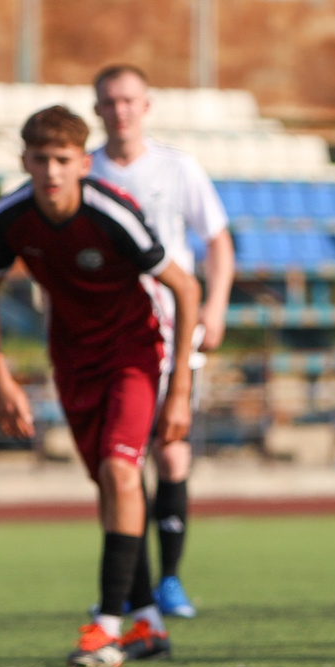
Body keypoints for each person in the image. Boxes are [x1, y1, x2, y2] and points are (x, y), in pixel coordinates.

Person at [0, 106, 201, 667]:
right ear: (23, 160)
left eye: (62, 160)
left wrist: (179, 391)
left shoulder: (112, 213)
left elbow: (185, 288)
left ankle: (105, 626)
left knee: (122, 472)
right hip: (73, 362)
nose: (50, 171)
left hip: (134, 352)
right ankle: (147, 624)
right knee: (110, 484)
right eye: (40, 159)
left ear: (82, 162)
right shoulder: (11, 218)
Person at [90, 64, 235, 621]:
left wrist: (215, 307)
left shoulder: (178, 168)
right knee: (118, 461)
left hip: (172, 330)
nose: (120, 110)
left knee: (170, 449)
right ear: (97, 109)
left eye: (129, 100)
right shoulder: (86, 173)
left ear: (146, 105)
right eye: (110, 101)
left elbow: (217, 241)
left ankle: (169, 579)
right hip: (108, 335)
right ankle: (130, 584)